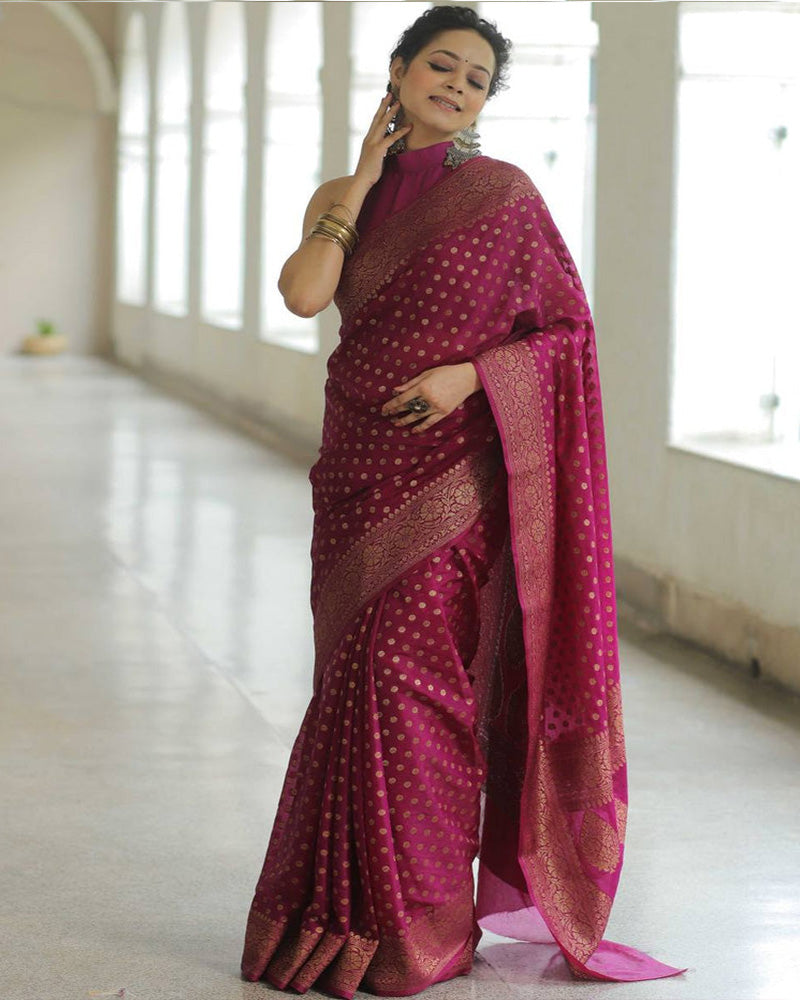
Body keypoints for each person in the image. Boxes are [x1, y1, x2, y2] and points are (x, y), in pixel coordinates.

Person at [241, 6, 684, 998]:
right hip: (357, 468)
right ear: (398, 71)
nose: (454, 85)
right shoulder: (341, 197)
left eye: (475, 79)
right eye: (438, 66)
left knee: (417, 684)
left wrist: (467, 376)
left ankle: (421, 926)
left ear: (485, 102)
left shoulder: (503, 197)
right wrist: (361, 177)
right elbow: (304, 295)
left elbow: (565, 334)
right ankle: (340, 910)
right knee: (351, 686)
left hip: (452, 476)